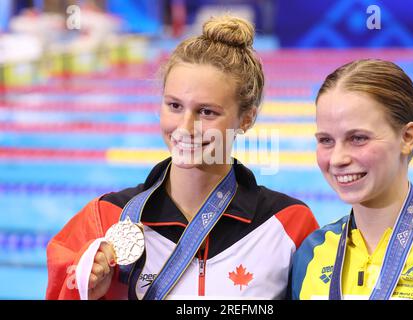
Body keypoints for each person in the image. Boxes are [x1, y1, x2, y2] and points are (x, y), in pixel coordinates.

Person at [46, 15, 319, 300]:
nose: (185, 128)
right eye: (175, 105)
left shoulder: (288, 225)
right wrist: (93, 294)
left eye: (207, 112)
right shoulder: (104, 219)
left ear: (246, 118)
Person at [291, 59, 413, 300]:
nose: (337, 159)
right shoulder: (313, 252)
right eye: (326, 140)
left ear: (407, 137)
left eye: (358, 138)